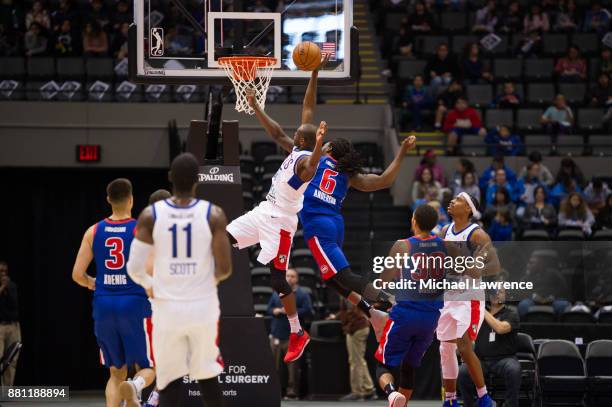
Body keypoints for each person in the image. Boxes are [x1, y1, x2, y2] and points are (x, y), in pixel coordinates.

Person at [227, 59, 328, 363]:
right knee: (220, 239)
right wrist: (314, 72)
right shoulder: (296, 146)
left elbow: (311, 167)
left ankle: (297, 332)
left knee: (277, 280)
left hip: (281, 223)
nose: (294, 129)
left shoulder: (305, 161)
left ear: (302, 140)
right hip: (264, 211)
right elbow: (302, 113)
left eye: (298, 132)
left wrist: (321, 146)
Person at [126, 153, 231, 406]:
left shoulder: (150, 215)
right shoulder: (213, 214)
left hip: (167, 308)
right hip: (202, 307)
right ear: (198, 180)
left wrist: (150, 286)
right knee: (207, 376)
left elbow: (134, 268)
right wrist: (205, 282)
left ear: (170, 178)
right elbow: (225, 268)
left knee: (168, 381)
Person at [71, 178, 156, 407]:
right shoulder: (141, 229)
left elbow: (77, 274)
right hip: (134, 303)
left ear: (108, 200)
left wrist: (93, 284)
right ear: (131, 199)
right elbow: (150, 271)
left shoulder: (94, 231)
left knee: (115, 372)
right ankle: (135, 388)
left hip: (104, 304)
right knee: (146, 367)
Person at [375, 204, 448, 407]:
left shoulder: (403, 245)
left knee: (382, 365)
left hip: (406, 314)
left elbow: (383, 280)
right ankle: (402, 403)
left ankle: (391, 394)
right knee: (409, 367)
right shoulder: (446, 245)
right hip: (431, 318)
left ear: (413, 221)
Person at [438, 192, 500, 407]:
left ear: (468, 209)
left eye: (458, 200)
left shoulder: (478, 235)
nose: (452, 202)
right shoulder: (445, 230)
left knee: (464, 346)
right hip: (449, 295)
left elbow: (489, 268)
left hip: (469, 297)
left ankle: (484, 397)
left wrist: (458, 255)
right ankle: (450, 400)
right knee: (445, 348)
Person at [458, 287, 521, 407]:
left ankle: (510, 405)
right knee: (463, 371)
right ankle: (470, 404)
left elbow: (501, 328)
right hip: (481, 360)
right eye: (493, 292)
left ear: (505, 295)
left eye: (500, 292)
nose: (497, 294)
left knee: (514, 369)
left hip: (505, 359)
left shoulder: (511, 314)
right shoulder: (478, 315)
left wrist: (482, 310)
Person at [267, 268, 313, 400]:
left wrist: (290, 310)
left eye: (293, 276)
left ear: (297, 279)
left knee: (293, 368)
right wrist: (275, 310)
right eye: (288, 276)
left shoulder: (302, 294)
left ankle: (292, 392)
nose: (290, 278)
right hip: (276, 334)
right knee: (276, 366)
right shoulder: (276, 293)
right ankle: (276, 391)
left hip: (292, 337)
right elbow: (268, 309)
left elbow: (308, 311)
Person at [335, 299, 376, 401]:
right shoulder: (353, 290)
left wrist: (348, 326)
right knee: (359, 360)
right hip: (360, 327)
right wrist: (337, 316)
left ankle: (357, 392)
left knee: (355, 361)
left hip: (356, 329)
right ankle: (369, 388)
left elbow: (354, 313)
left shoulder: (348, 292)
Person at [0, 261, 20, 386]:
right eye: (1, 271)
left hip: (13, 326)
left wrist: (7, 287)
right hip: (0, 327)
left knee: (11, 361)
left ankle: (7, 391)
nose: (3, 274)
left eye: (5, 271)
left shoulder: (11, 286)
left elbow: (15, 305)